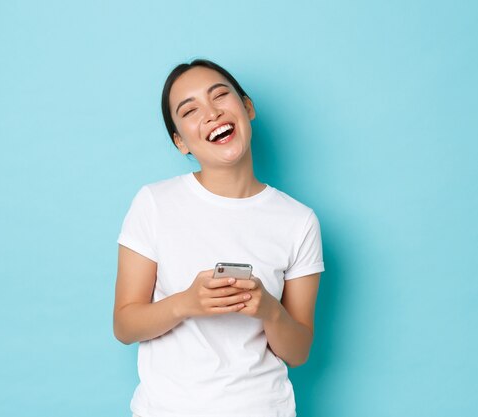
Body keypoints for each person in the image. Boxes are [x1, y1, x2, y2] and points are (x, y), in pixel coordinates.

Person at [114, 58, 324, 417]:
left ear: (247, 107)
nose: (210, 113)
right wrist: (187, 303)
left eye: (220, 96)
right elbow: (124, 325)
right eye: (190, 110)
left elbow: (298, 351)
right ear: (181, 142)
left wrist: (269, 310)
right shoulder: (154, 203)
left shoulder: (298, 221)